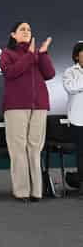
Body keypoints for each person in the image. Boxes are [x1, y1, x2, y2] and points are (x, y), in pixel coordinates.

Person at [0, 22, 55, 202]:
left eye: (29, 30)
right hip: (16, 106)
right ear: (13, 34)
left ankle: (36, 191)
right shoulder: (7, 53)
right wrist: (30, 55)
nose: (26, 32)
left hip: (39, 106)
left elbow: (49, 74)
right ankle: (22, 191)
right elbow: (10, 72)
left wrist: (43, 54)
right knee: (18, 149)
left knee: (35, 148)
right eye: (22, 29)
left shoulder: (38, 54)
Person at [63, 41, 83, 199]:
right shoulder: (69, 72)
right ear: (77, 56)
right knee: (81, 154)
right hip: (78, 119)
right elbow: (71, 87)